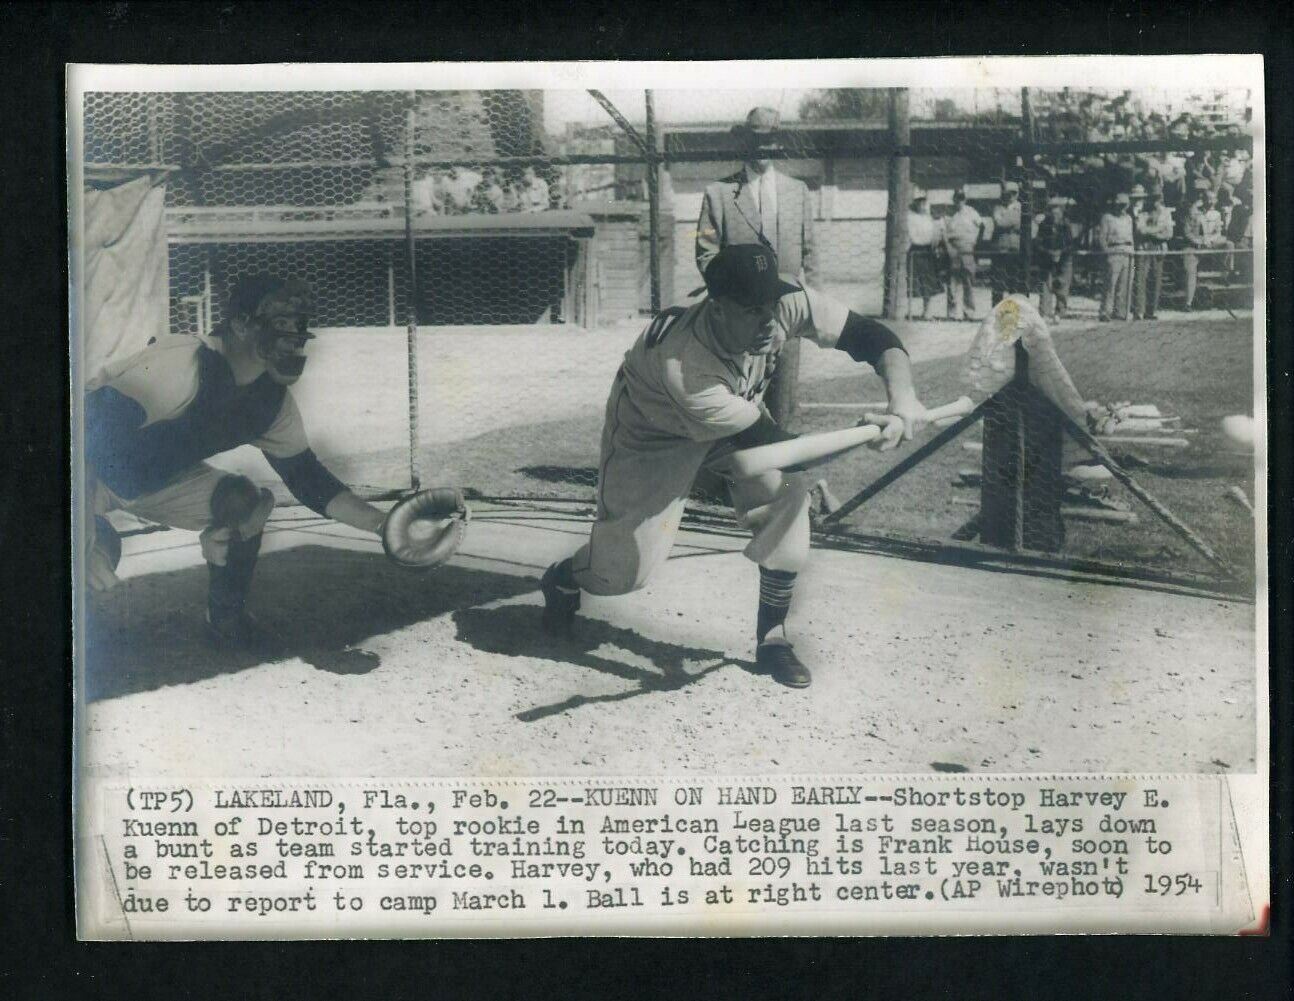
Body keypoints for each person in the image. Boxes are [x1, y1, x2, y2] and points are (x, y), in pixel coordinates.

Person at [538, 245, 928, 690]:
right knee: (620, 573)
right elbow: (778, 447)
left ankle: (773, 638)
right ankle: (566, 577)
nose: (769, 319)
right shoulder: (685, 365)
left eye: (772, 303)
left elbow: (871, 337)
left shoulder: (784, 302)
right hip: (653, 432)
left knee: (785, 498)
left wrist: (903, 397)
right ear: (717, 309)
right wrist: (867, 434)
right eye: (751, 309)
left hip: (735, 414)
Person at [84, 275, 390, 649]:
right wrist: (80, 533)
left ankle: (226, 618)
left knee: (245, 504)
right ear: (240, 323)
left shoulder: (272, 401)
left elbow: (307, 479)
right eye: (281, 322)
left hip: (154, 481)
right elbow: (83, 434)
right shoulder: (183, 362)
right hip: (81, 470)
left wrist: (385, 525)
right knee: (99, 549)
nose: (292, 334)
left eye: (298, 325)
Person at [696, 107, 816, 427]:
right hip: (739, 321)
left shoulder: (799, 192)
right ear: (744, 143)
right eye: (755, 140)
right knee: (736, 406)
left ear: (779, 144)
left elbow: (810, 255)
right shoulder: (717, 195)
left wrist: (803, 307)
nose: (763, 147)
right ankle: (733, 474)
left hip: (786, 317)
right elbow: (705, 254)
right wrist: (735, 301)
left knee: (782, 406)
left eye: (770, 140)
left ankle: (778, 472)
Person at [1182, 186, 1233, 310]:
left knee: (1229, 244)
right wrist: (1198, 242)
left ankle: (1226, 272)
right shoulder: (1193, 212)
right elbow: (1187, 232)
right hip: (1195, 246)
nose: (1211, 202)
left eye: (1213, 199)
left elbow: (1218, 232)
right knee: (1190, 269)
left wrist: (1210, 240)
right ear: (1203, 199)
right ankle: (1188, 303)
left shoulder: (1216, 213)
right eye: (1208, 199)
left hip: (1210, 243)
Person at [941, 190, 983, 321]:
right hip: (952, 247)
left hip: (967, 247)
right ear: (953, 199)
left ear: (965, 200)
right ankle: (952, 312)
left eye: (962, 199)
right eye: (957, 199)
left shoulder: (971, 212)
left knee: (968, 280)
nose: (959, 201)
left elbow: (982, 226)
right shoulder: (949, 214)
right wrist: (948, 247)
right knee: (952, 281)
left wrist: (976, 243)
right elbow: (943, 232)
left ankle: (969, 311)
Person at [1132, 187, 1174, 320]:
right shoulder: (1142, 211)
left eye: (1158, 197)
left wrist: (1154, 231)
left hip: (1158, 247)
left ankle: (1151, 311)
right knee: (1140, 279)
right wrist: (1159, 230)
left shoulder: (1166, 213)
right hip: (1144, 247)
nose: (1156, 201)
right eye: (1153, 198)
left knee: (1155, 280)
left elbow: (1169, 233)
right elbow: (1140, 230)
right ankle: (1139, 311)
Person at [1095, 192, 1135, 321]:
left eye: (1125, 205)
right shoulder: (1107, 218)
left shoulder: (1129, 218)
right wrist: (1107, 253)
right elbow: (1102, 238)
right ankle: (1105, 311)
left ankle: (1121, 311)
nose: (1123, 207)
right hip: (1114, 251)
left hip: (1128, 252)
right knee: (1110, 284)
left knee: (1125, 284)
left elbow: (1131, 236)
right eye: (1120, 204)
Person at [1036, 196, 1076, 320]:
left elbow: (1070, 244)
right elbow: (1038, 242)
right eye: (1052, 209)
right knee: (1046, 284)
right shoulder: (1043, 225)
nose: (1054, 211)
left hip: (1064, 257)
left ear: (1062, 210)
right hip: (1047, 256)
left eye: (1057, 209)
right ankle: (1045, 312)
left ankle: (1060, 311)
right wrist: (1049, 252)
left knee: (1063, 283)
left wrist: (1060, 253)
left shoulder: (1066, 225)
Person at [906, 194, 943, 319]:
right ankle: (909, 311)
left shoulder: (928, 218)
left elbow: (933, 233)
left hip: (928, 251)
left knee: (929, 282)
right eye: (919, 202)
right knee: (914, 281)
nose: (922, 205)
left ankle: (927, 311)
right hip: (916, 250)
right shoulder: (910, 217)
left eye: (924, 202)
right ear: (915, 203)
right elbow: (912, 234)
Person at [989, 181, 1023, 306]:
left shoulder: (1021, 207)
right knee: (998, 283)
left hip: (1015, 249)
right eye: (1008, 193)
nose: (1011, 196)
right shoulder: (998, 207)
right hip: (999, 249)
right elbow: (999, 223)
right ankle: (996, 311)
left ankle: (1013, 312)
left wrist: (1006, 218)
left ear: (1018, 194)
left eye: (1014, 193)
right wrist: (1013, 221)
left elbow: (1009, 222)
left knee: (1014, 282)